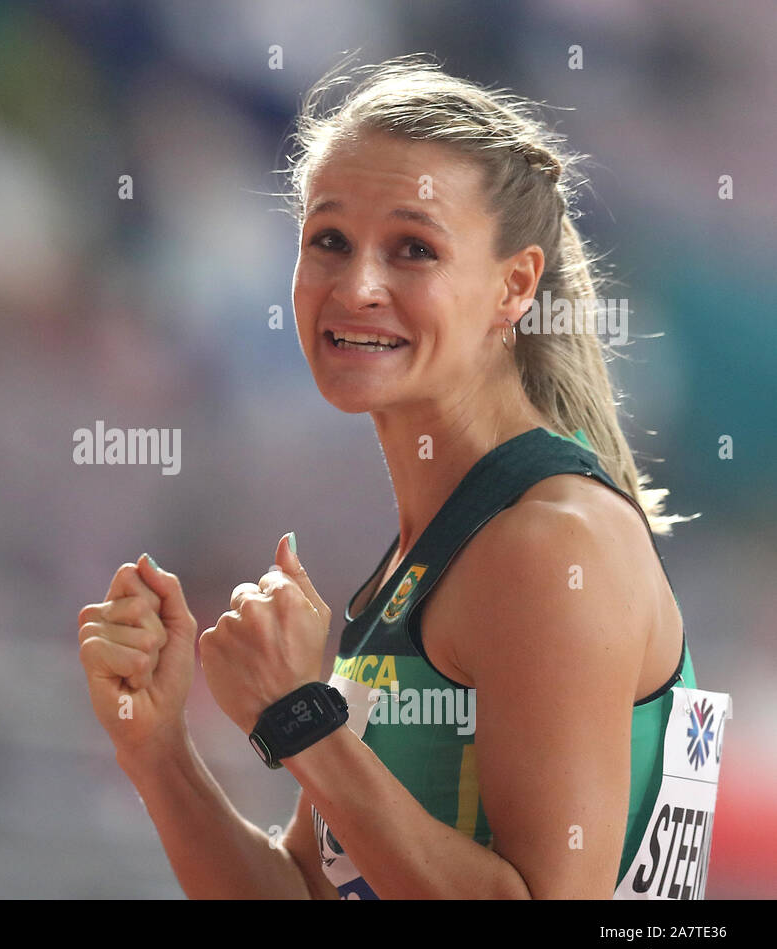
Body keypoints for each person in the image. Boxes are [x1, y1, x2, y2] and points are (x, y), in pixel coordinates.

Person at [77, 54, 710, 899]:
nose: (358, 286)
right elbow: (305, 893)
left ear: (515, 285)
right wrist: (158, 753)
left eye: (414, 249)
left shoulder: (551, 541)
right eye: (329, 242)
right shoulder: (431, 549)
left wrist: (299, 718)